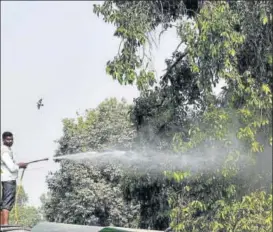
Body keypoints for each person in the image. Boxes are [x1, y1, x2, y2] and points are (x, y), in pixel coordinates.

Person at [1, 131, 27, 225]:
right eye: (8, 139)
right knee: (7, 202)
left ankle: (2, 223)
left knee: (4, 202)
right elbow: (11, 167)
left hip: (6, 179)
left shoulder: (7, 150)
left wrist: (20, 165)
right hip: (8, 180)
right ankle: (5, 224)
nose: (10, 141)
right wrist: (20, 165)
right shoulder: (4, 151)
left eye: (11, 139)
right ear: (3, 140)